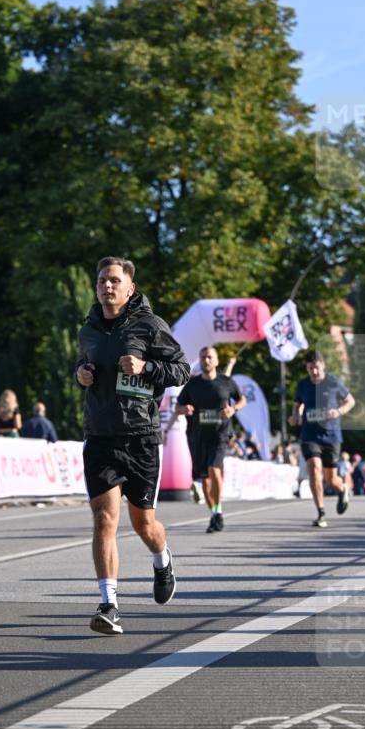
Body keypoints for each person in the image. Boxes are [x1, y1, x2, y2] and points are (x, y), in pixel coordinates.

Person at [75, 256, 190, 635]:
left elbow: (181, 369)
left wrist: (148, 368)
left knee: (144, 523)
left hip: (141, 437)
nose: (106, 286)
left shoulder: (150, 325)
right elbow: (82, 366)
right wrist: (81, 375)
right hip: (100, 436)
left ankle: (162, 558)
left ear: (129, 288)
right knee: (105, 519)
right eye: (101, 281)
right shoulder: (89, 330)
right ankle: (109, 604)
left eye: (113, 280)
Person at [175, 345, 246, 533]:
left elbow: (241, 399)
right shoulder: (192, 384)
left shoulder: (226, 382)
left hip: (220, 433)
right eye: (203, 357)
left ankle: (218, 512)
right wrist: (185, 410)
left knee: (214, 470)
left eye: (209, 357)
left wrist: (233, 409)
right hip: (197, 435)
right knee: (204, 480)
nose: (206, 360)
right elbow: (178, 407)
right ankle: (215, 512)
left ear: (216, 361)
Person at [289, 349, 355, 528]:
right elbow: (297, 406)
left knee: (330, 479)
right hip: (310, 435)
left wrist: (338, 411)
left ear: (323, 365)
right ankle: (321, 512)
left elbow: (351, 401)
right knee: (313, 468)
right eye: (310, 369)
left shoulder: (333, 382)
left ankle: (342, 489)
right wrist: (295, 416)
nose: (314, 372)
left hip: (331, 436)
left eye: (316, 368)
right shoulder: (303, 385)